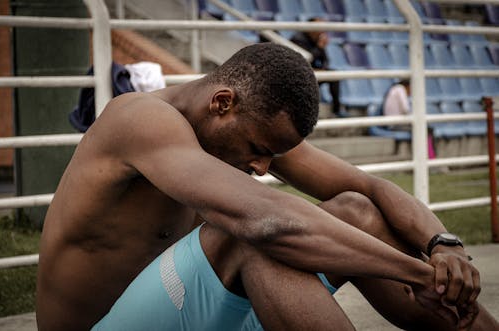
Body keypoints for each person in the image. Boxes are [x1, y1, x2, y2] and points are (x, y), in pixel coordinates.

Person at [35, 43, 498, 331]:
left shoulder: (246, 130)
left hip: (196, 315)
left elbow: (369, 187)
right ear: (222, 103)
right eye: (257, 149)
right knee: (252, 235)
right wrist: (415, 273)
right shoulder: (137, 119)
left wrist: (443, 247)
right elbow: (264, 220)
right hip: (107, 326)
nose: (260, 166)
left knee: (355, 210)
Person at [290, 17, 343, 117]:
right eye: (319, 27)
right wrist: (319, 47)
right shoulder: (298, 39)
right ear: (311, 28)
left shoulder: (316, 39)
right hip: (299, 74)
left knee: (334, 75)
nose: (322, 31)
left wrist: (321, 66)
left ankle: (337, 110)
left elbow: (325, 60)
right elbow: (301, 61)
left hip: (313, 71)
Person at [383, 79, 436, 159]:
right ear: (408, 85)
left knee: (424, 128)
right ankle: (429, 157)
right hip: (395, 125)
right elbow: (406, 109)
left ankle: (427, 156)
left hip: (394, 123)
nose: (411, 92)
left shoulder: (394, 89)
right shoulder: (400, 89)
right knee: (425, 129)